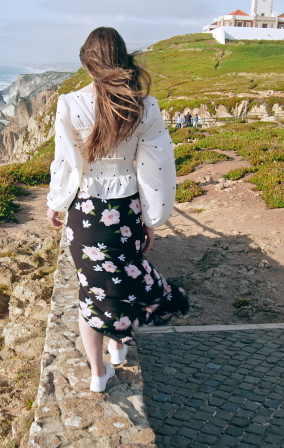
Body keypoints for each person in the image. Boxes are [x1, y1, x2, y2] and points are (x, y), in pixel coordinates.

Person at [46, 27, 189, 393]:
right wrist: (152, 219)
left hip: (86, 214)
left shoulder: (70, 104)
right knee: (121, 284)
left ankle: (98, 373)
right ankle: (118, 348)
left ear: (87, 61)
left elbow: (65, 163)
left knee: (91, 293)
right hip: (126, 211)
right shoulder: (144, 106)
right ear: (122, 58)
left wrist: (55, 203)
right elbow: (156, 168)